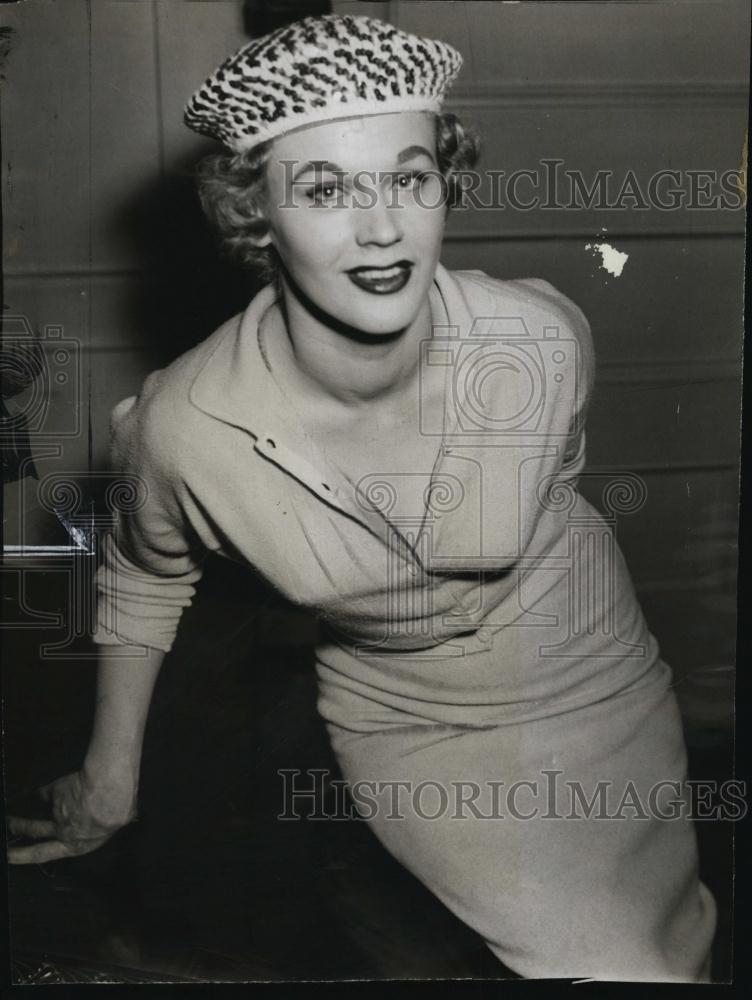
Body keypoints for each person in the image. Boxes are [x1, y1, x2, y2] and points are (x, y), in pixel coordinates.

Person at [8, 13, 716, 982]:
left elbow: (559, 488)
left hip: (592, 681)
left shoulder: (539, 337)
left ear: (441, 183)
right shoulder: (184, 429)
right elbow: (141, 579)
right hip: (409, 719)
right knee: (614, 961)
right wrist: (109, 777)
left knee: (669, 938)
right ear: (255, 211)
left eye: (408, 176)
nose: (380, 226)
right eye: (326, 187)